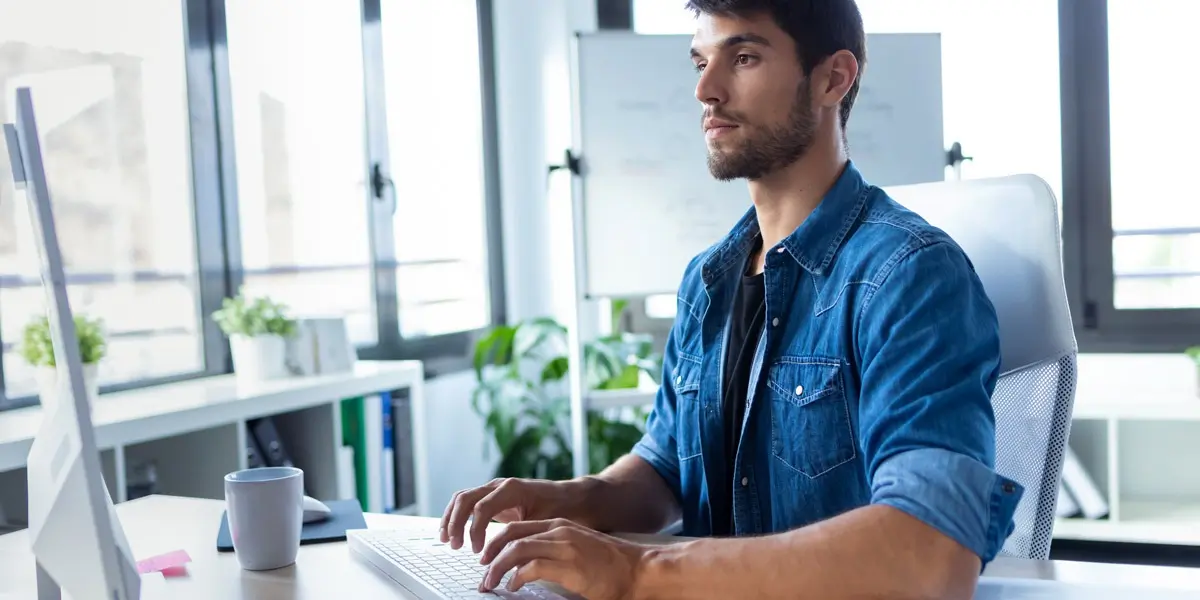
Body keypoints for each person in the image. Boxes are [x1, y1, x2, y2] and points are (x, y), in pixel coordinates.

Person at [443, 1, 1023, 597]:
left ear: (833, 78)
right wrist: (578, 498)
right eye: (701, 61)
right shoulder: (707, 281)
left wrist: (637, 571)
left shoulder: (910, 275)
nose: (705, 89)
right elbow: (671, 467)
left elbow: (931, 554)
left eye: (743, 57)